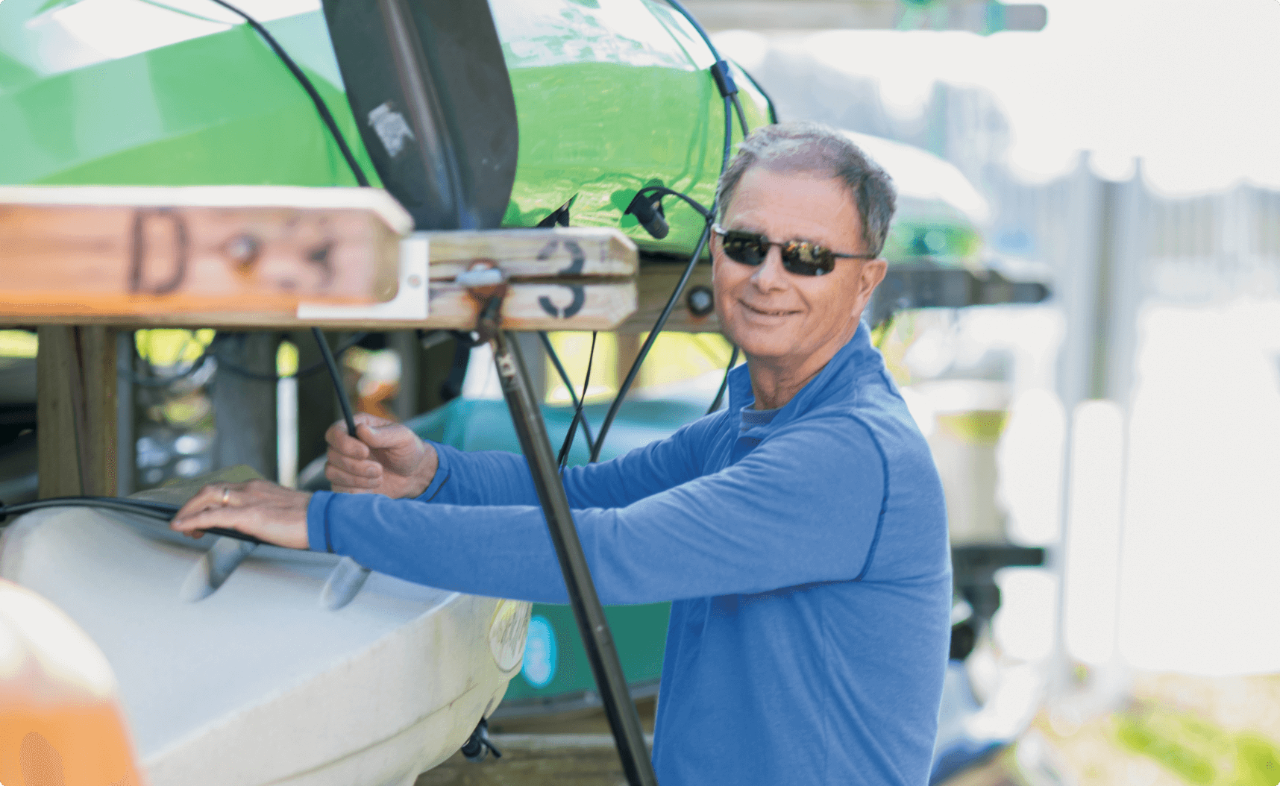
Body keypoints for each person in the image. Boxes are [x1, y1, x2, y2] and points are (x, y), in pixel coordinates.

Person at [173, 121, 952, 785]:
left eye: (808, 257)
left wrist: (326, 521)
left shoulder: (849, 454)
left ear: (865, 283)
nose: (767, 277)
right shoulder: (754, 424)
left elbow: (606, 553)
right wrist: (432, 475)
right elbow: (586, 495)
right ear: (715, 253)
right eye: (746, 245)